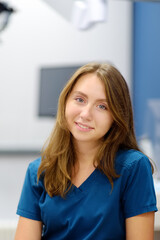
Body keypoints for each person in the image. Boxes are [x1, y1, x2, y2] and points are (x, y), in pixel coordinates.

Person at [15, 63, 157, 240]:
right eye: (80, 100)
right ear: (65, 101)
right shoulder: (39, 171)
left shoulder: (133, 167)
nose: (86, 114)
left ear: (116, 116)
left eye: (102, 106)